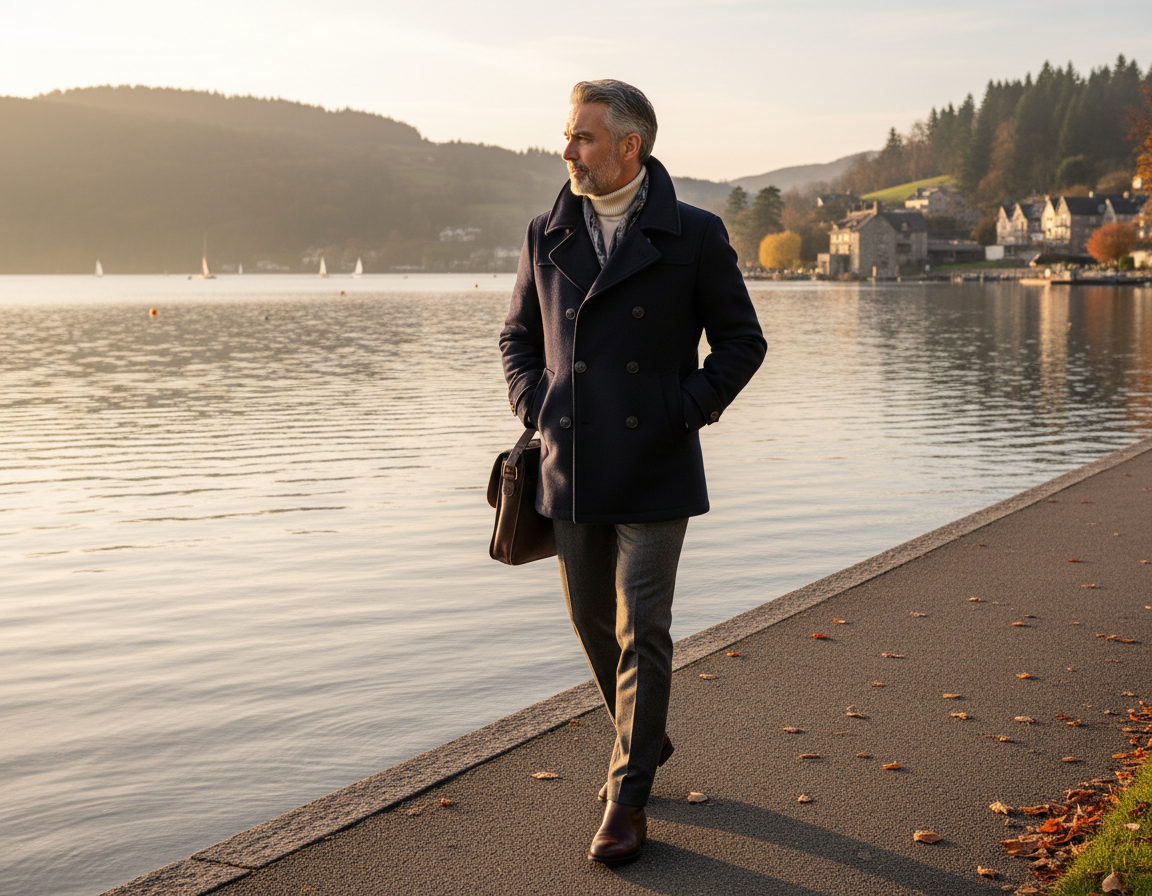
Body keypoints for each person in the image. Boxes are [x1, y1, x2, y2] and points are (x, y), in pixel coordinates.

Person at [499, 79, 766, 865]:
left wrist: (682, 407)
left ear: (629, 146)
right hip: (570, 458)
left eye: (583, 137)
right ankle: (645, 735)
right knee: (591, 622)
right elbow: (516, 336)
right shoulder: (544, 232)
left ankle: (629, 796)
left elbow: (742, 343)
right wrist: (537, 402)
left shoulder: (694, 233)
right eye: (568, 135)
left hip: (653, 461)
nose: (568, 151)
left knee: (640, 627)